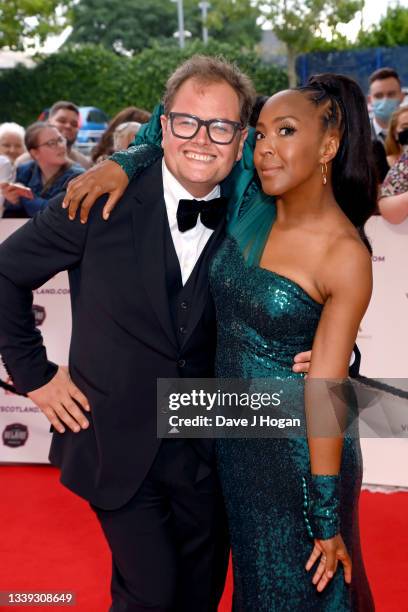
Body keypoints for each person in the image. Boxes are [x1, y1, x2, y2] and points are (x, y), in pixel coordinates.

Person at [0, 56, 312, 612]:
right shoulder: (97, 199)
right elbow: (5, 273)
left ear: (241, 138)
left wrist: (330, 353)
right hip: (114, 437)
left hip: (216, 440)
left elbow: (301, 304)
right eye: (188, 122)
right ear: (163, 126)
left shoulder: (258, 216)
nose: (202, 139)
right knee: (151, 594)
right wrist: (36, 376)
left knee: (197, 595)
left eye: (221, 127)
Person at [63, 68, 372, 606]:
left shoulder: (345, 251)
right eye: (261, 132)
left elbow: (325, 393)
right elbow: (175, 123)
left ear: (329, 144)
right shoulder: (250, 200)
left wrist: (323, 513)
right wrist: (125, 160)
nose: (266, 146)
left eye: (287, 132)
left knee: (296, 592)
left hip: (296, 450)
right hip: (227, 428)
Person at [1, 122, 84, 218]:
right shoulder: (25, 171)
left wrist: (24, 197)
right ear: (35, 153)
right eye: (52, 143)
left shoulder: (78, 176)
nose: (61, 146)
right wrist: (12, 200)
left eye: (60, 140)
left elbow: (58, 213)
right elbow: (12, 212)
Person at [16, 101, 92, 170]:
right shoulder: (24, 163)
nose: (68, 126)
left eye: (74, 124)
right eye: (62, 121)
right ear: (48, 123)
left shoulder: (84, 164)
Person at [367, 67, 405, 182]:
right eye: (378, 96)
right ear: (370, 100)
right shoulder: (358, 138)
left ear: (402, 97)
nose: (385, 100)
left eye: (391, 94)